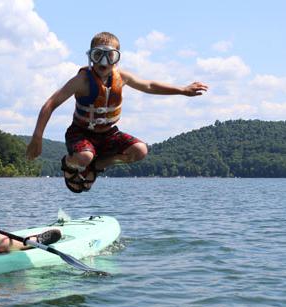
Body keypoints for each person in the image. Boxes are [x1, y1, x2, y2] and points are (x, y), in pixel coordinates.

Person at [26, 31, 208, 193]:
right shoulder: (82, 80)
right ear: (90, 57)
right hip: (80, 133)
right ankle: (69, 163)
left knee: (140, 151)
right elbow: (51, 103)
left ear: (117, 59)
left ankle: (95, 167)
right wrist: (37, 137)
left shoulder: (122, 78)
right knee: (85, 156)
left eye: (109, 56)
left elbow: (150, 85)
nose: (104, 62)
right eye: (98, 55)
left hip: (108, 134)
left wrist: (182, 90)